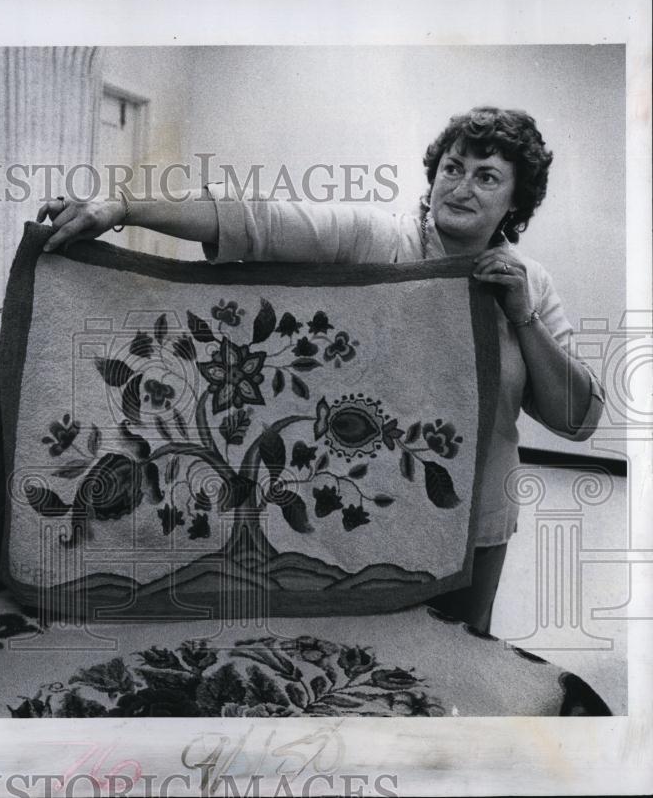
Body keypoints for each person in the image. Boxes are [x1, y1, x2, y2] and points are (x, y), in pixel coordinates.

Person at [36, 106, 606, 634]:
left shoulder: (529, 283)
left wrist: (523, 317)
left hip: (476, 525)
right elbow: (256, 220)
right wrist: (123, 208)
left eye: (487, 176)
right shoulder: (380, 241)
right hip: (363, 512)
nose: (461, 186)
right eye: (453, 167)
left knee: (448, 664)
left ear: (516, 201)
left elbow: (576, 420)